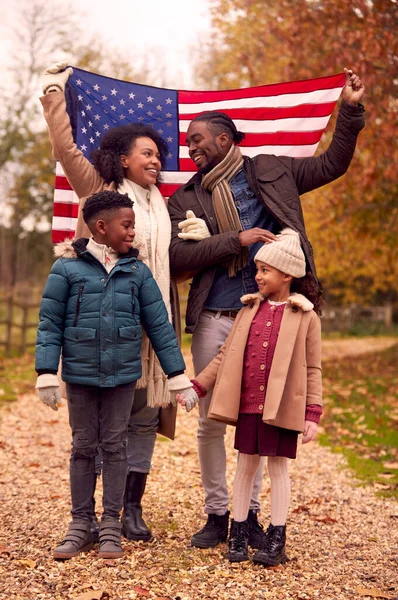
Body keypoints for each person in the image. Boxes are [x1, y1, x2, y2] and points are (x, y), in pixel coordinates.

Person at [167, 68, 365, 548]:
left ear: (225, 138)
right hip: (216, 317)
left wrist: (351, 111)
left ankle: (248, 516)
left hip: (269, 316)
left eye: (198, 139)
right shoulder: (186, 197)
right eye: (188, 142)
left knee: (259, 420)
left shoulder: (273, 169)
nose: (191, 147)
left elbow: (331, 165)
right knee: (214, 420)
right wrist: (234, 239)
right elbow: (178, 258)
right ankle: (218, 514)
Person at [41, 62, 182, 543]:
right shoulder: (99, 192)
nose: (156, 160)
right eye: (147, 153)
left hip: (152, 317)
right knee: (99, 424)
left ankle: (130, 510)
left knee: (142, 417)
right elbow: (64, 146)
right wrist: (55, 90)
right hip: (103, 325)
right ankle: (92, 515)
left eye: (159, 155)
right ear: (122, 159)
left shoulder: (167, 206)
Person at [35, 191, 195, 559]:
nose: (133, 234)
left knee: (115, 446)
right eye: (127, 226)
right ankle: (80, 524)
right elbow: (49, 323)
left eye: (135, 226)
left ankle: (110, 525)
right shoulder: (67, 269)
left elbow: (160, 327)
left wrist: (177, 377)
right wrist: (46, 371)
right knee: (83, 447)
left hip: (123, 375)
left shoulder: (137, 272)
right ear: (101, 228)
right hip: (79, 375)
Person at [176, 228, 322, 565]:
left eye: (264, 270)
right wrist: (199, 386)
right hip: (248, 406)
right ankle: (238, 536)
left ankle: (276, 540)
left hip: (281, 408)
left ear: (287, 274)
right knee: (244, 467)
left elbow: (313, 368)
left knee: (278, 469)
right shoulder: (248, 311)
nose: (256, 276)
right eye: (257, 270)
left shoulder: (305, 316)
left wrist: (312, 412)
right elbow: (223, 356)